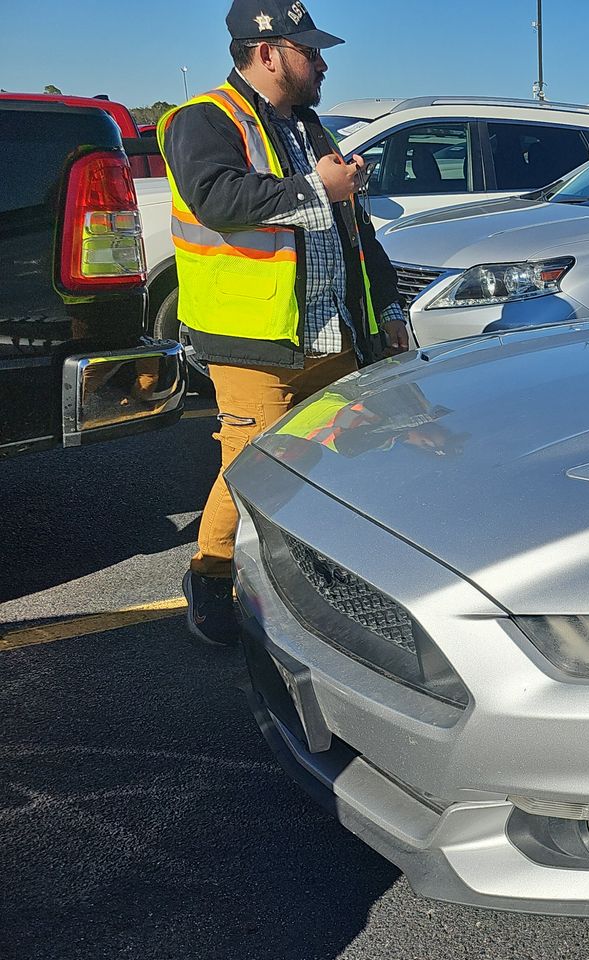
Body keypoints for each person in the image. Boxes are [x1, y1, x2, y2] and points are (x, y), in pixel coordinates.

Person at [158, 0, 408, 647]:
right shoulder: (204, 120)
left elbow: (355, 230)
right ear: (267, 53)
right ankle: (211, 578)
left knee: (337, 461)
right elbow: (216, 198)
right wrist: (314, 188)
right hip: (256, 342)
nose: (322, 62)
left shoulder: (307, 125)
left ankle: (317, 569)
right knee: (251, 466)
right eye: (310, 51)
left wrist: (384, 306)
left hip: (332, 333)